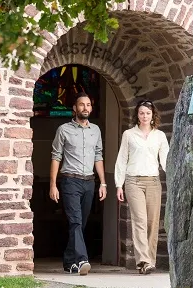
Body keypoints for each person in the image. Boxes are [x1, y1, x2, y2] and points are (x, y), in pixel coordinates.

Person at [50, 92, 107, 275]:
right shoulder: (63, 130)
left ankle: (69, 261)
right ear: (74, 108)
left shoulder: (96, 130)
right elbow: (56, 157)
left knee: (80, 224)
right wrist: (53, 184)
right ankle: (82, 260)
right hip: (70, 181)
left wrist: (103, 183)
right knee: (75, 221)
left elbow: (98, 156)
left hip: (89, 182)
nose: (85, 108)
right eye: (81, 105)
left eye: (88, 105)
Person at [115, 99, 169, 275]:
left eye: (147, 113)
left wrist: (175, 178)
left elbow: (166, 160)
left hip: (153, 182)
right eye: (141, 113)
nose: (145, 116)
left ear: (153, 115)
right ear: (137, 115)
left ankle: (150, 261)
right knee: (140, 221)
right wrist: (118, 184)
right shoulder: (129, 135)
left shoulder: (159, 136)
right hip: (133, 182)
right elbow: (122, 160)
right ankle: (143, 261)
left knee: (153, 223)